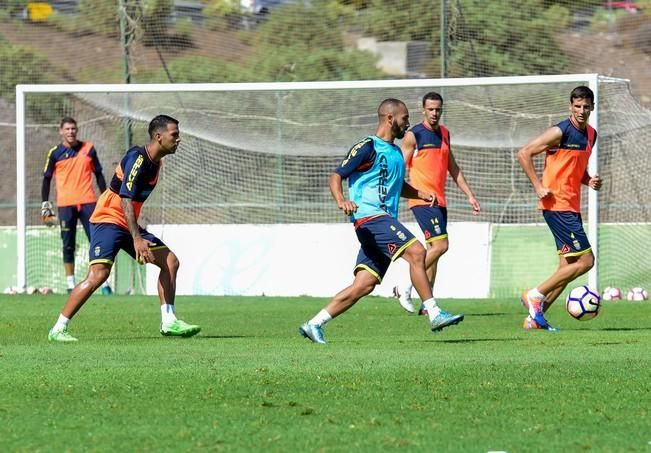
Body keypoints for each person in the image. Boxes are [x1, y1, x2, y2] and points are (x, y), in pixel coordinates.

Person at [298, 99, 464, 344]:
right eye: (404, 118)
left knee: (364, 285)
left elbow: (398, 185)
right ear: (390, 118)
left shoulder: (396, 152)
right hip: (369, 216)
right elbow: (336, 175)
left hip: (381, 221)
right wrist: (342, 200)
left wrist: (419, 193)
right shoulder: (368, 146)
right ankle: (434, 312)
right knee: (417, 251)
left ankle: (314, 324)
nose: (407, 124)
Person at [47, 115, 201, 342]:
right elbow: (125, 198)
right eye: (174, 134)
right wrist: (137, 238)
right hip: (108, 219)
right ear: (159, 137)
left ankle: (169, 321)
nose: (178, 139)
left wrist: (135, 231)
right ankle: (58, 328)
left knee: (170, 262)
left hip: (126, 224)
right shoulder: (138, 158)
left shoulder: (156, 161)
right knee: (99, 274)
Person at [517, 86, 602, 331]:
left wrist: (589, 181)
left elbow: (575, 169)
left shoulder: (591, 135)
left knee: (567, 267)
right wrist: (538, 186)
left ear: (592, 107)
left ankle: (535, 318)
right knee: (586, 262)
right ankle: (535, 294)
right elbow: (524, 153)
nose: (582, 111)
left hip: (571, 206)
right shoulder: (559, 131)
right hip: (557, 206)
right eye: (577, 106)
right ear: (570, 106)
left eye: (586, 107)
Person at [392, 92, 481, 314]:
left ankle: (427, 302)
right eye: (430, 109)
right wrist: (402, 193)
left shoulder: (444, 134)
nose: (434, 113)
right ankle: (404, 286)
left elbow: (453, 167)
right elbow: (399, 168)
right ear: (423, 110)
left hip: (439, 201)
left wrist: (469, 194)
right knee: (441, 246)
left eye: (438, 109)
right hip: (422, 200)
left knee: (435, 250)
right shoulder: (414, 135)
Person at [41, 117, 113, 295]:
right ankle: (70, 284)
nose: (70, 132)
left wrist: (106, 198)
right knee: (68, 245)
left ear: (77, 130)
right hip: (65, 205)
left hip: (89, 202)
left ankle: (103, 284)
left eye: (73, 128)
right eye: (67, 129)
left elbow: (99, 174)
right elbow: (46, 179)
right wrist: (45, 205)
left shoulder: (88, 148)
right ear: (61, 131)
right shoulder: (55, 153)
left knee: (97, 242)